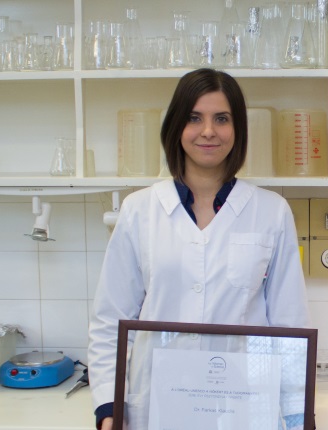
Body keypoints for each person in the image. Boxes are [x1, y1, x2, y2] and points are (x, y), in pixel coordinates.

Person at [88, 68, 309, 430]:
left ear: (237, 129)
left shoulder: (271, 211)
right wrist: (110, 406)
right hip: (154, 406)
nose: (208, 131)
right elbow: (111, 319)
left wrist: (298, 414)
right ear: (176, 127)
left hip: (242, 406)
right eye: (194, 118)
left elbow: (290, 324)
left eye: (221, 118)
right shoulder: (139, 210)